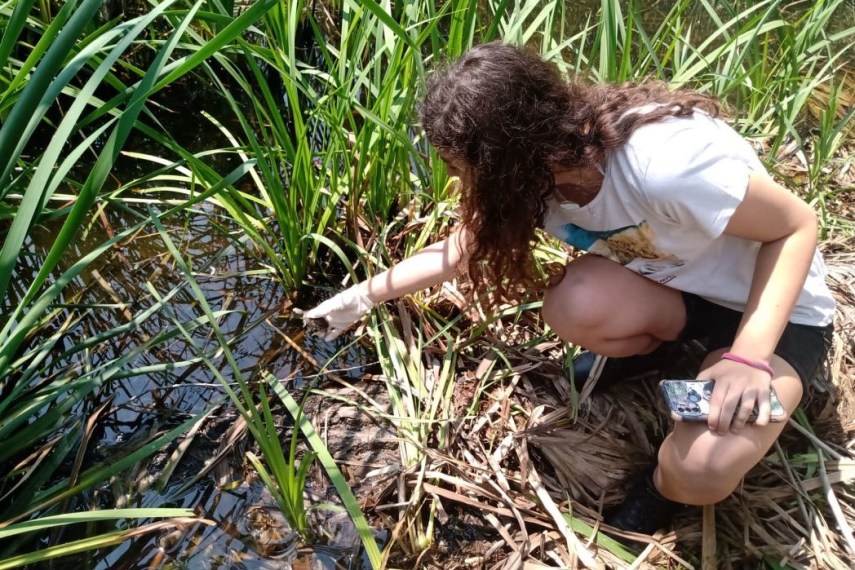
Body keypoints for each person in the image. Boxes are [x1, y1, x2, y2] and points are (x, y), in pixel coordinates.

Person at [300, 42, 836, 536]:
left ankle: (659, 489)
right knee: (574, 303)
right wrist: (359, 298)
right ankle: (669, 349)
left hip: (777, 311)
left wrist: (748, 356)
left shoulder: (661, 167)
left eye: (460, 168)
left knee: (702, 468)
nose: (455, 182)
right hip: (685, 297)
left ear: (509, 156)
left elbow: (797, 226)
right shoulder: (539, 179)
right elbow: (457, 252)